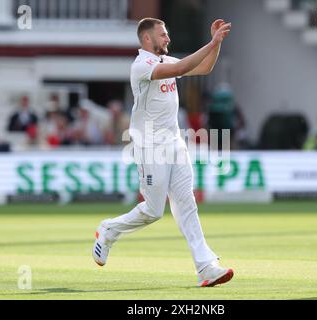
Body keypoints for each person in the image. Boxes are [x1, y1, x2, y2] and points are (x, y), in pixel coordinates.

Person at [92, 18, 233, 287]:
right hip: (150, 146)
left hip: (175, 143)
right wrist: (211, 42)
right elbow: (182, 66)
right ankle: (109, 230)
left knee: (186, 204)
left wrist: (217, 44)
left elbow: (203, 68)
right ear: (147, 39)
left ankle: (206, 267)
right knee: (154, 211)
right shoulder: (141, 66)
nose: (168, 39)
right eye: (163, 35)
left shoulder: (166, 62)